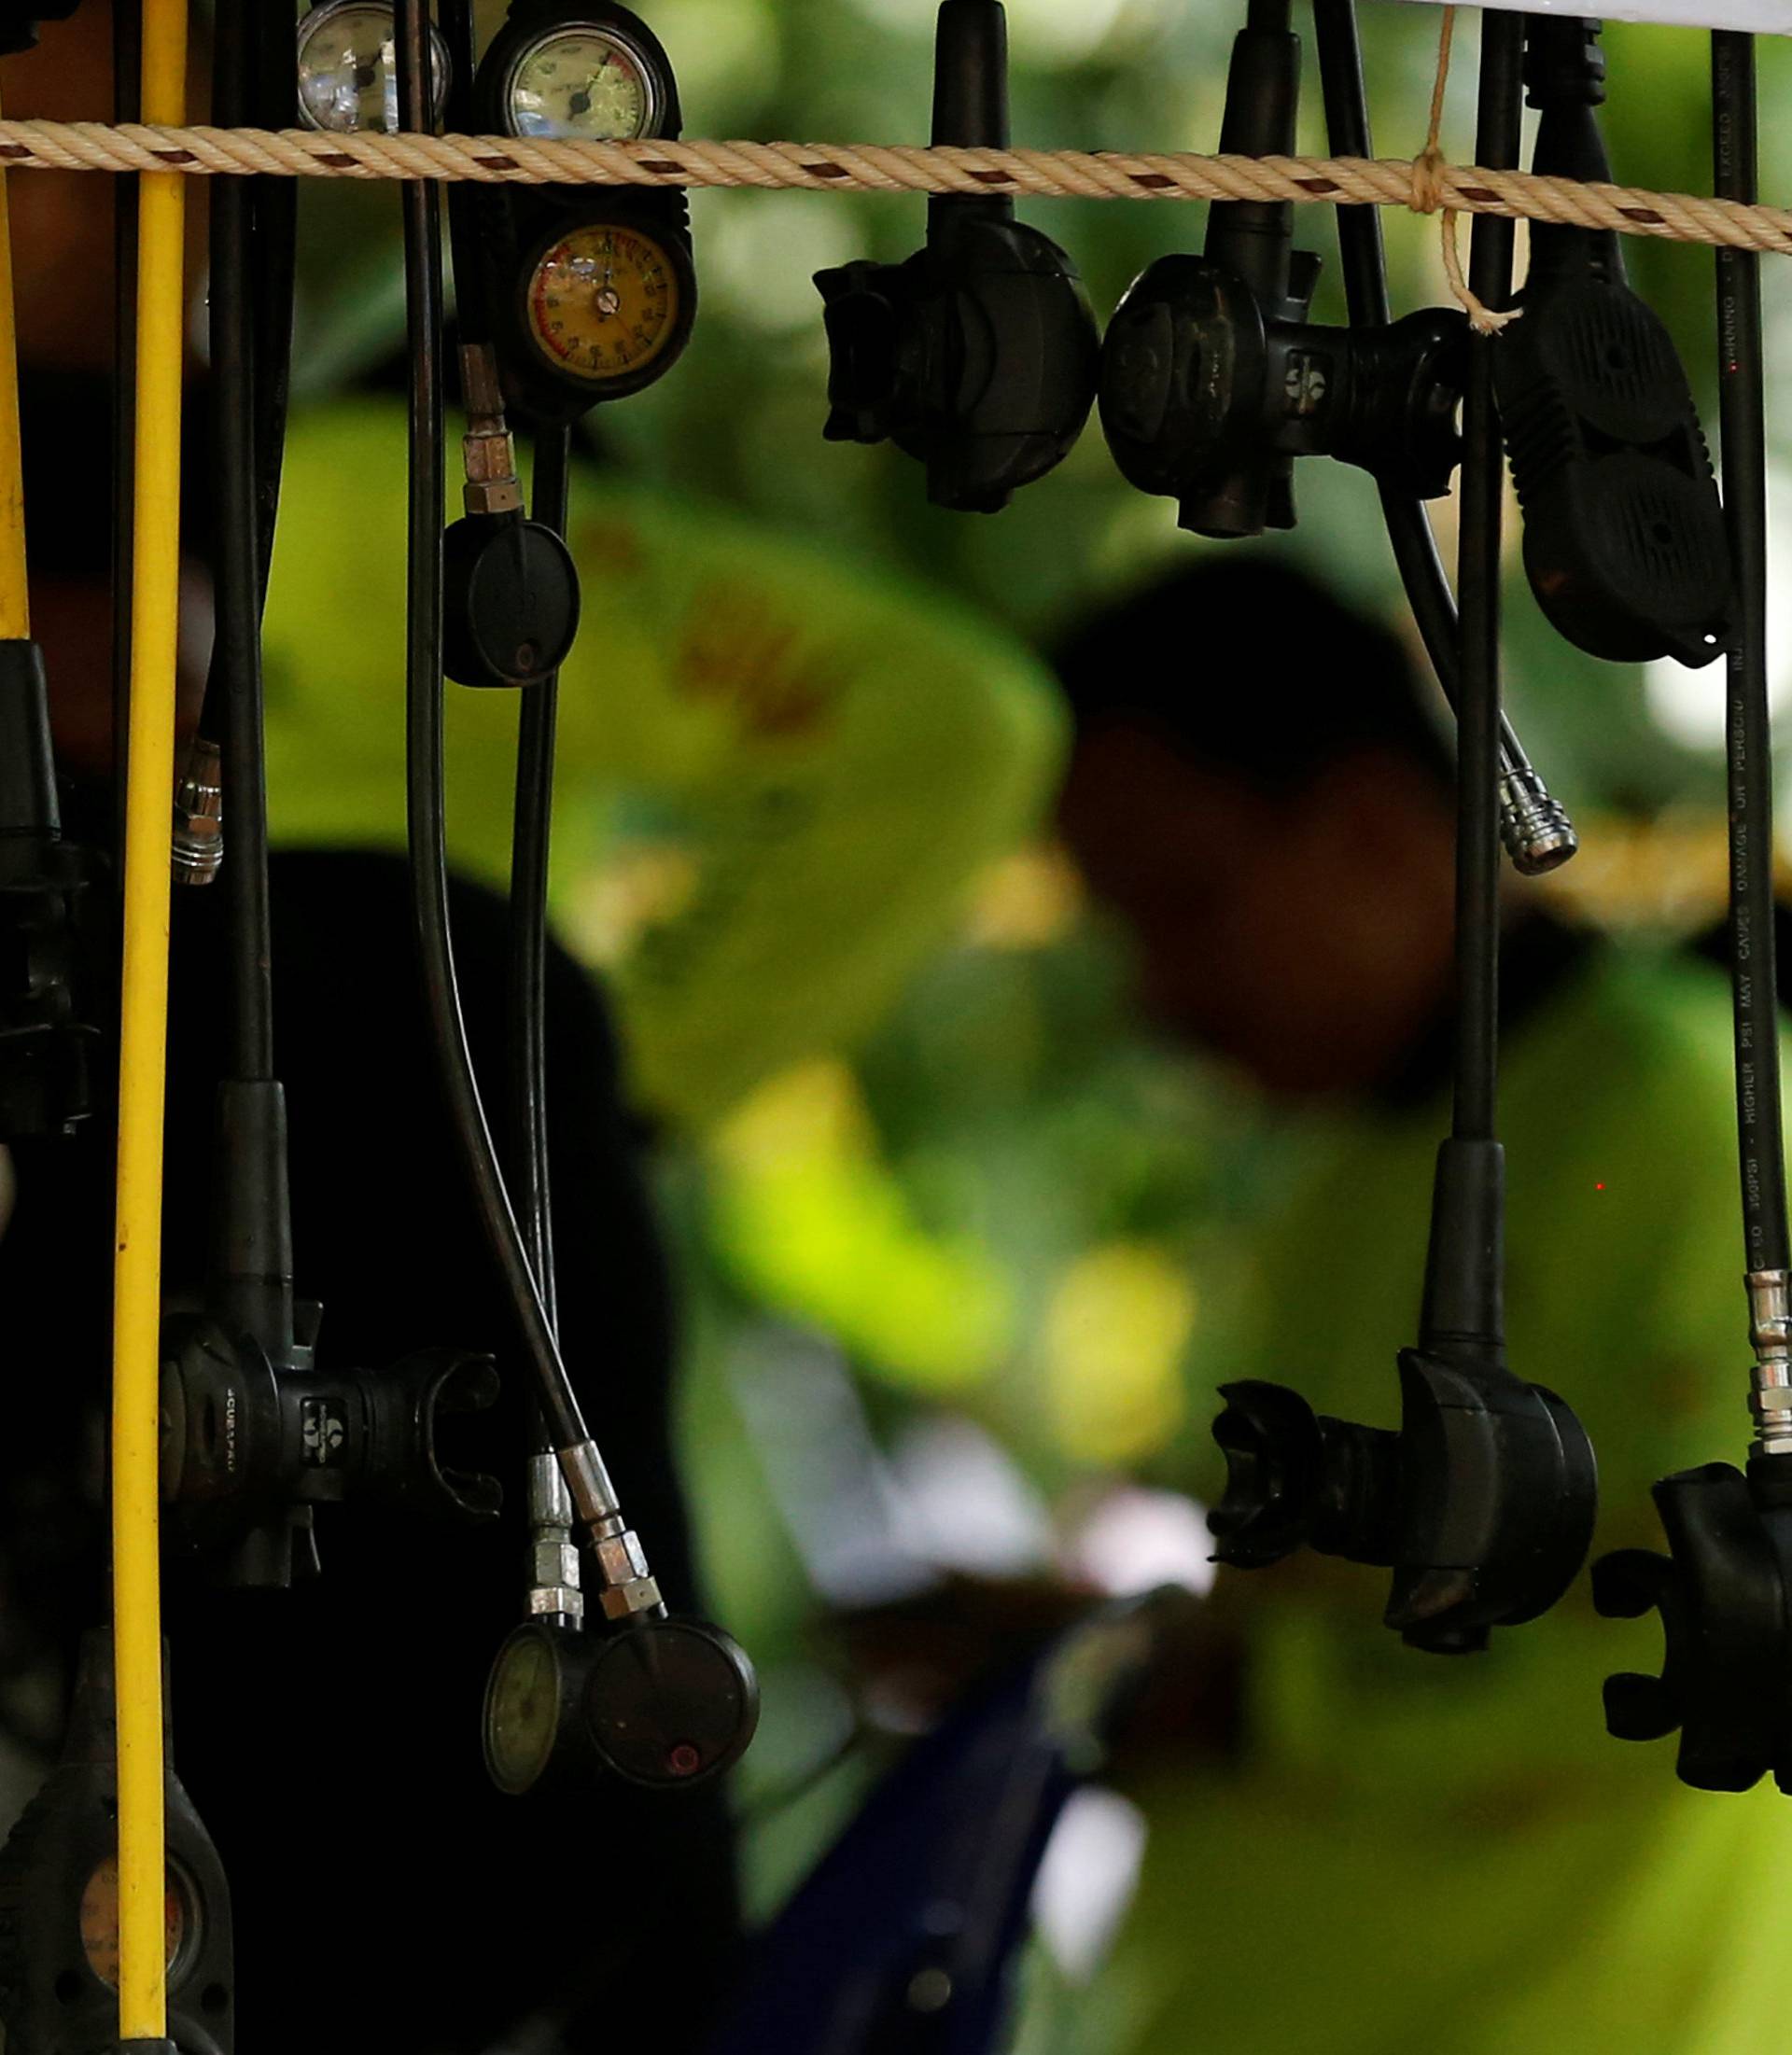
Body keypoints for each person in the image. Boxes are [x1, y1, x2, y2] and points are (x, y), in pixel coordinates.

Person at [1045, 557, 1792, 2055]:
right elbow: (1312, 1604)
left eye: (1187, 907)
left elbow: (1727, 1657)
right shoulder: (1339, 1166)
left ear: (1383, 835)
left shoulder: (1700, 1139)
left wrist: (1238, 1704)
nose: (1154, 997)